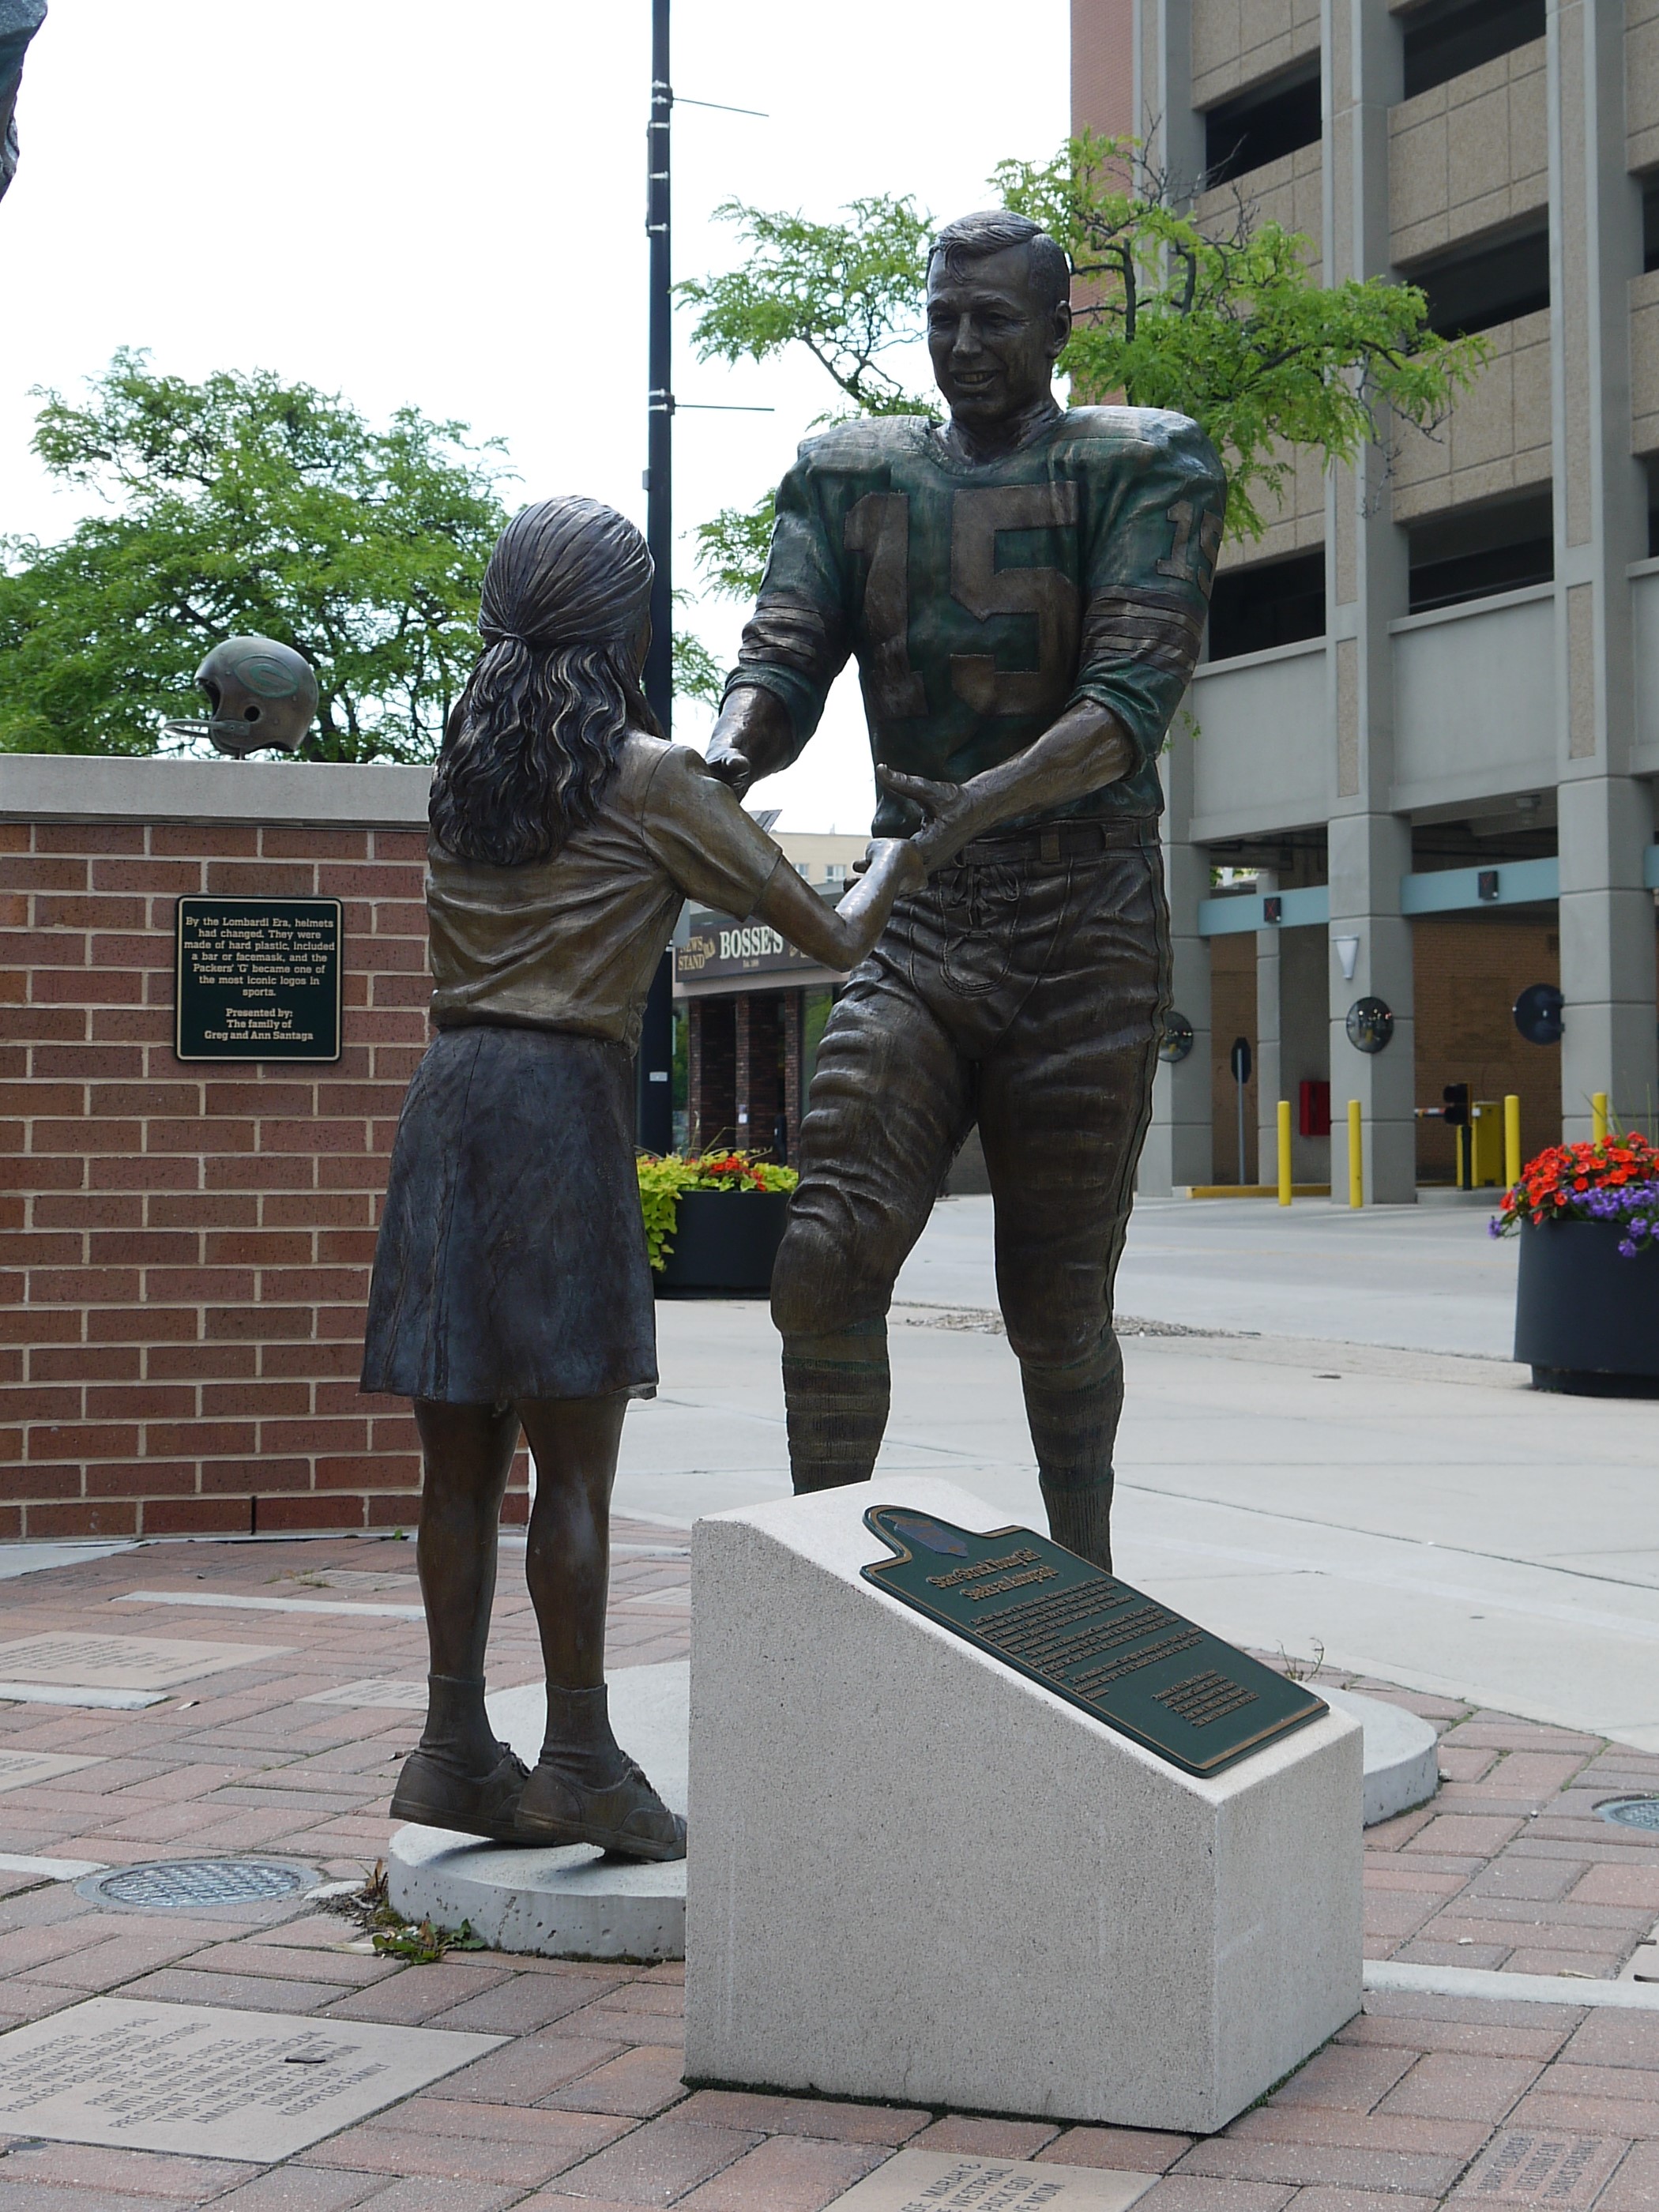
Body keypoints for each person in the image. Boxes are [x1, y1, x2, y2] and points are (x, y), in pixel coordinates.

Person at [362, 495, 928, 1853]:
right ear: (621, 632)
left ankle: (452, 1747)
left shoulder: (467, 776)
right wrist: (906, 851)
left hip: (448, 1103)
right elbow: (832, 934)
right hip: (559, 1110)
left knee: (458, 1464)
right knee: (573, 1466)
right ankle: (579, 1759)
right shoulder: (648, 773)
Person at [702, 209, 1227, 1572]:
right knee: (824, 1251)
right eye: (942, 316)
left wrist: (976, 806)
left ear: (1057, 327)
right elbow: (784, 651)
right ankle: (825, 1574)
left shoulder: (1142, 462)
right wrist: (726, 760)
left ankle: (1088, 1577)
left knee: (1056, 1303)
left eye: (994, 318)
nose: (962, 342)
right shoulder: (851, 475)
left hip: (1083, 919)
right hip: (922, 919)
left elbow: (1128, 703)